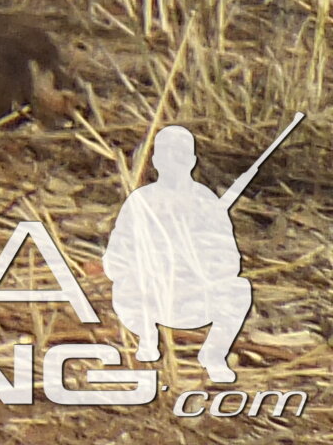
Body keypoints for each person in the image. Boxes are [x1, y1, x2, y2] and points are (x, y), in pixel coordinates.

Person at [102, 127, 255, 384]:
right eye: (167, 154)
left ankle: (213, 354)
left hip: (193, 295)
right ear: (156, 161)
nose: (174, 161)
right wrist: (147, 266)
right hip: (148, 294)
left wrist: (202, 266)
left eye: (181, 155)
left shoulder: (207, 202)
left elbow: (230, 259)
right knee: (129, 287)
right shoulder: (141, 201)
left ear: (192, 160)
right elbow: (116, 255)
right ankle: (147, 342)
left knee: (240, 290)